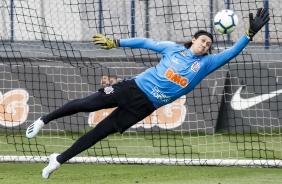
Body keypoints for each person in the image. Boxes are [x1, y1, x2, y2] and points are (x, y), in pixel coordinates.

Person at [26, 8, 269, 179]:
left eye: (208, 44)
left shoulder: (206, 64)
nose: (205, 45)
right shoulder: (172, 49)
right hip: (131, 88)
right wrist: (116, 42)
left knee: (100, 133)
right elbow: (144, 41)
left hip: (145, 106)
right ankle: (42, 121)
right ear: (193, 39)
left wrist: (250, 33)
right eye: (202, 41)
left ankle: (57, 161)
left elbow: (233, 52)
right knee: (87, 103)